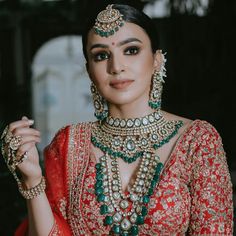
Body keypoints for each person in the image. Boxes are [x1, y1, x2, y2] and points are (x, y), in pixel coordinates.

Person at [0, 3, 233, 236]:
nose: (116, 67)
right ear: (89, 70)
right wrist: (32, 181)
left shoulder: (198, 140)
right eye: (101, 55)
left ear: (157, 60)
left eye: (131, 50)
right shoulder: (69, 143)